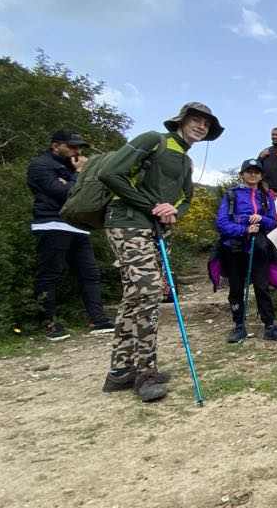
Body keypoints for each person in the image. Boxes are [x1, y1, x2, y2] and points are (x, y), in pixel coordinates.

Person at [99, 101, 222, 402]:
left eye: (206, 123)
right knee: (151, 290)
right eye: (195, 120)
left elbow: (186, 200)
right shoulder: (153, 140)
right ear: (180, 121)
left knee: (134, 297)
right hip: (126, 224)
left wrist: (173, 209)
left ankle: (119, 372)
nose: (201, 126)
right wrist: (151, 206)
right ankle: (145, 373)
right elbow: (109, 172)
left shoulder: (187, 162)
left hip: (152, 230)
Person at [26, 130, 113, 340]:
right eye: (72, 146)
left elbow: (84, 193)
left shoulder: (69, 167)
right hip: (51, 224)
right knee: (50, 274)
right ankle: (49, 323)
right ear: (56, 146)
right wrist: (79, 174)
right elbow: (65, 192)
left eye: (79, 147)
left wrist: (73, 178)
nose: (77, 151)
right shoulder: (40, 165)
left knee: (90, 274)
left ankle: (98, 319)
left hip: (77, 226)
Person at [215, 159, 277, 344]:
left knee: (262, 287)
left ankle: (270, 326)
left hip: (258, 248)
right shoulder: (231, 195)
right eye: (249, 171)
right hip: (234, 248)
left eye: (256, 172)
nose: (253, 175)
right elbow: (222, 223)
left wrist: (262, 220)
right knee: (236, 288)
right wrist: (244, 228)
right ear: (242, 174)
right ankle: (239, 326)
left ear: (261, 175)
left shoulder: (266, 197)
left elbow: (272, 222)